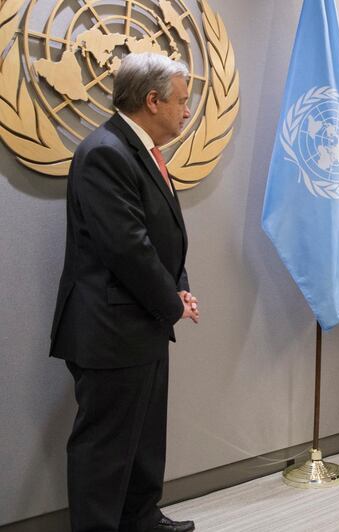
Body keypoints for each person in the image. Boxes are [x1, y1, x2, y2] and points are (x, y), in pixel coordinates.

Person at [49, 53, 199, 532]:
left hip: (142, 321)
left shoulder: (143, 151)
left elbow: (162, 237)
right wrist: (170, 301)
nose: (187, 112)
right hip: (109, 328)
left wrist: (179, 287)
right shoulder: (105, 152)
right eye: (182, 101)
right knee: (105, 448)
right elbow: (126, 248)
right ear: (152, 100)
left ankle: (140, 519)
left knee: (144, 438)